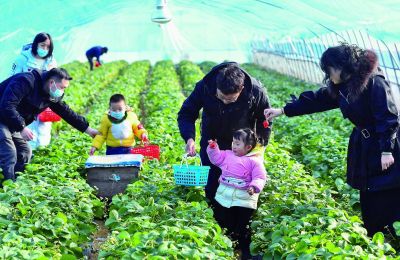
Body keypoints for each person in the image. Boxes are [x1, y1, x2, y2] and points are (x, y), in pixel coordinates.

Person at [264, 43, 400, 237]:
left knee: (388, 187)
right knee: (369, 190)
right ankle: (377, 233)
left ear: (341, 66)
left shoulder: (374, 82)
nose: (328, 76)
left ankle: (389, 232)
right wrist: (284, 110)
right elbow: (318, 99)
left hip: (385, 143)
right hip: (364, 143)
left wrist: (386, 150)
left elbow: (387, 116)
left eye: (329, 70)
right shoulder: (343, 85)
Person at [177, 62, 272, 206]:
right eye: (221, 97)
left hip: (242, 147)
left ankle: (237, 224)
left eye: (230, 99)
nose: (225, 102)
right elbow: (186, 113)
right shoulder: (204, 86)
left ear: (242, 89)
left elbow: (264, 120)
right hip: (212, 144)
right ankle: (214, 220)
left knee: (241, 190)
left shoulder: (256, 91)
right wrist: (189, 138)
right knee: (212, 187)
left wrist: (260, 145)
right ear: (216, 87)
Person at [0, 68, 98, 183]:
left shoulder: (51, 93)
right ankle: (5, 190)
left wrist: (88, 130)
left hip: (11, 121)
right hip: (3, 116)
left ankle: (15, 184)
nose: (62, 91)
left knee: (25, 152)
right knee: (9, 154)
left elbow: (66, 112)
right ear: (52, 82)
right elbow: (7, 106)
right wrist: (22, 127)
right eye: (62, 87)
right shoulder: (26, 81)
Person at [207, 128, 267, 260]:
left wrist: (254, 187)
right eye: (233, 142)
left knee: (241, 225)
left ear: (248, 147)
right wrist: (213, 148)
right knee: (224, 220)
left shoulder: (254, 161)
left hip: (243, 199)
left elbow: (260, 177)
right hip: (225, 196)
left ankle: (245, 252)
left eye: (238, 144)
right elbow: (216, 158)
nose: (234, 146)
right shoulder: (227, 155)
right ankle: (226, 247)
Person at [11, 32, 58, 149]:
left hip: (43, 102)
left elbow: (56, 80)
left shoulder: (51, 61)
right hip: (26, 102)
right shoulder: (23, 59)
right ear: (36, 44)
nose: (45, 49)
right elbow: (13, 79)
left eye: (48, 47)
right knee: (28, 132)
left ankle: (41, 154)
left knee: (44, 131)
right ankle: (27, 159)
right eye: (42, 45)